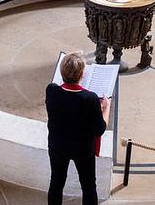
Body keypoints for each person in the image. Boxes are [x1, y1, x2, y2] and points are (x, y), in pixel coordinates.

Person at [46, 52, 110, 205]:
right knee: (88, 186)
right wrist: (106, 108)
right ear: (82, 75)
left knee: (56, 182)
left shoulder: (52, 90)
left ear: (61, 72)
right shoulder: (90, 98)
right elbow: (100, 129)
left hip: (58, 146)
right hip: (82, 150)